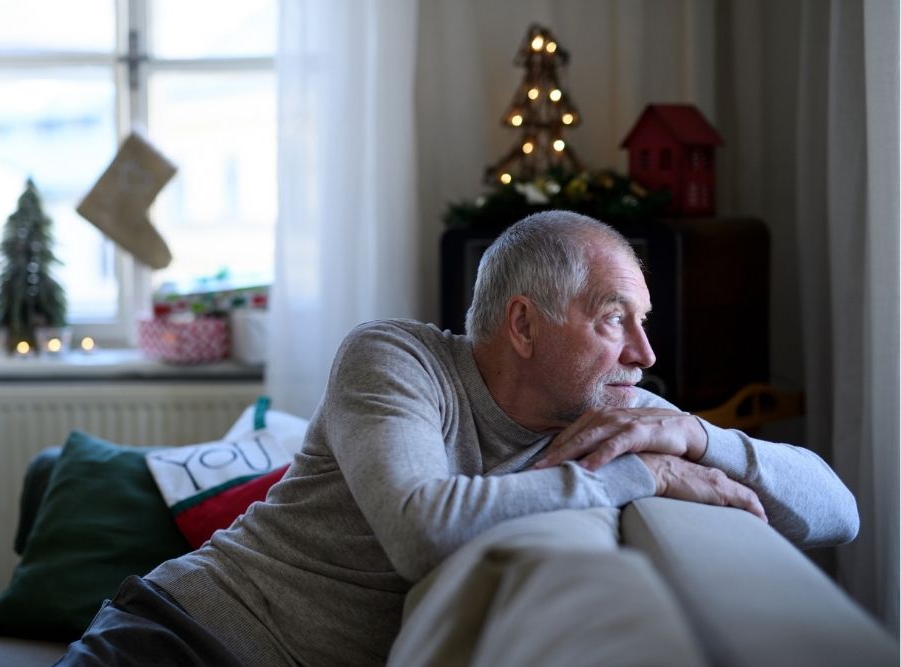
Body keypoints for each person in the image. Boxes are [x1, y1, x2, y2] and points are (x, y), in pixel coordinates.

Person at [59, 210, 858, 666]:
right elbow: (421, 526)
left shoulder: (613, 408)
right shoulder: (396, 359)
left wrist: (694, 435)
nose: (645, 354)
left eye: (643, 324)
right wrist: (640, 476)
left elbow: (839, 512)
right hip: (178, 638)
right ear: (523, 323)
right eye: (616, 319)